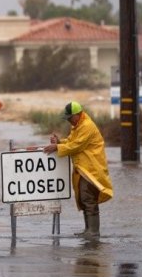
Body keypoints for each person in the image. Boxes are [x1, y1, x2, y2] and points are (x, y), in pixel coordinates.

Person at [43, 101, 113, 238]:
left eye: (70, 118)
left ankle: (93, 231)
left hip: (91, 170)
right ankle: (88, 230)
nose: (69, 121)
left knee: (88, 199)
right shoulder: (78, 126)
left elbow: (77, 145)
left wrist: (57, 148)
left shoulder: (87, 126)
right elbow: (71, 141)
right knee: (83, 198)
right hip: (83, 169)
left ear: (77, 115)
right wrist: (59, 142)